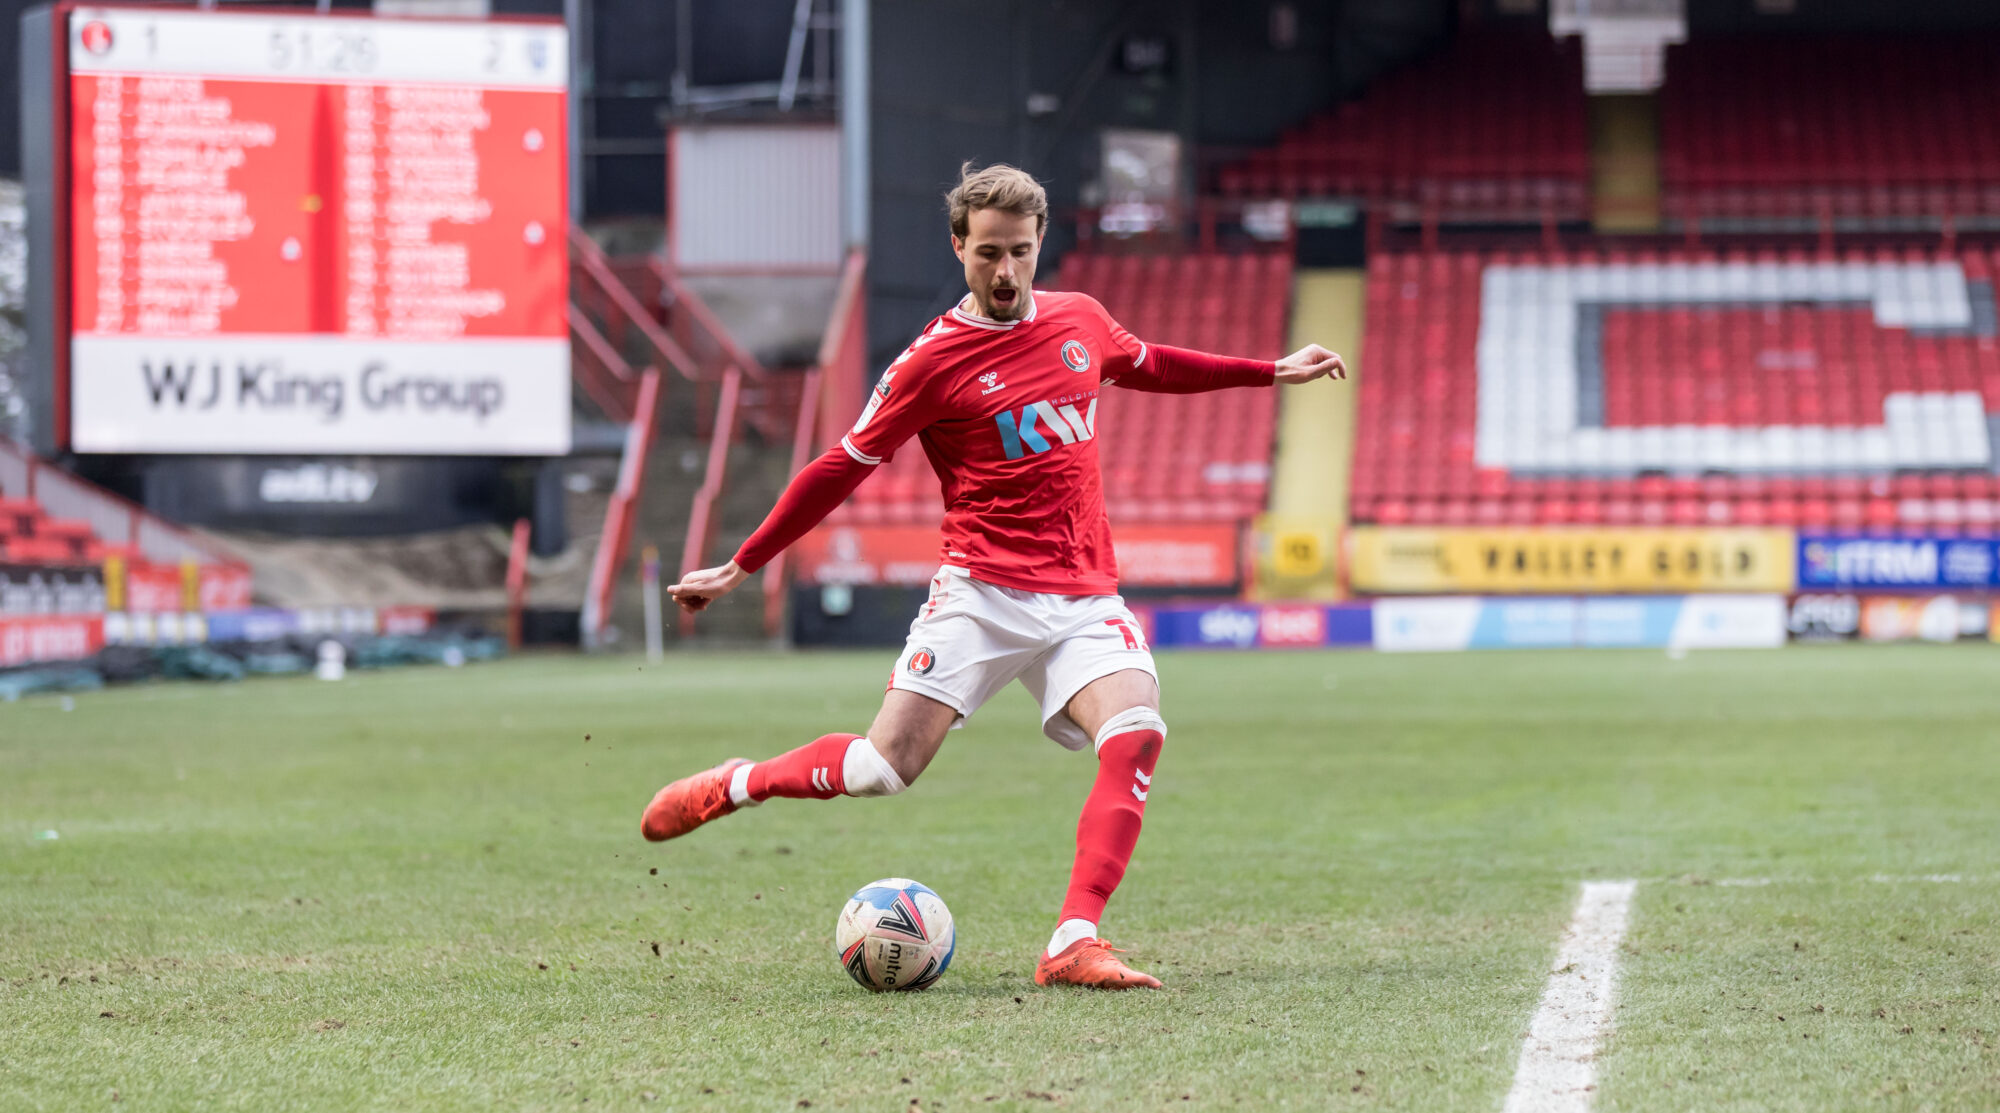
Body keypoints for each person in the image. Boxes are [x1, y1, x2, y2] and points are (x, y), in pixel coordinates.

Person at [644, 163, 1345, 990]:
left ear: (1040, 241)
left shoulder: (1080, 319)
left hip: (1083, 596)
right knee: (881, 769)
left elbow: (1152, 363)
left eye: (1019, 251)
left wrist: (1270, 370)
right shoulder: (930, 362)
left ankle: (1074, 939)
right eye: (987, 254)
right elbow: (842, 464)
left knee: (1137, 730)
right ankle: (739, 782)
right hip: (980, 594)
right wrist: (743, 562)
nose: (1005, 271)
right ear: (958, 248)